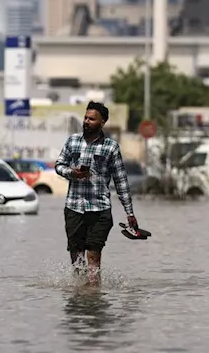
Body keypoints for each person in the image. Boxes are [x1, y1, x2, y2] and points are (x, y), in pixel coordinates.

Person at [55, 102, 137, 284]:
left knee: (94, 255)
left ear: (102, 122)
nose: (86, 122)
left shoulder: (111, 147)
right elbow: (59, 165)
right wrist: (72, 173)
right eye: (85, 118)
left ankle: (93, 296)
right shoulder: (72, 141)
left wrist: (129, 212)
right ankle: (79, 296)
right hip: (74, 207)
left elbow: (121, 180)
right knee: (76, 257)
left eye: (91, 119)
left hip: (100, 209)